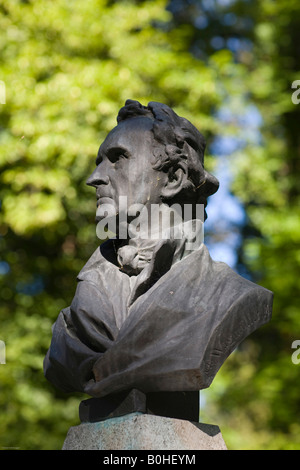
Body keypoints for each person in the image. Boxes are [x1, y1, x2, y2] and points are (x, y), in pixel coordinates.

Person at [44, 100, 273, 398]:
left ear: (174, 178)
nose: (95, 178)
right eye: (98, 161)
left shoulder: (226, 295)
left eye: (117, 158)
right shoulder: (85, 295)